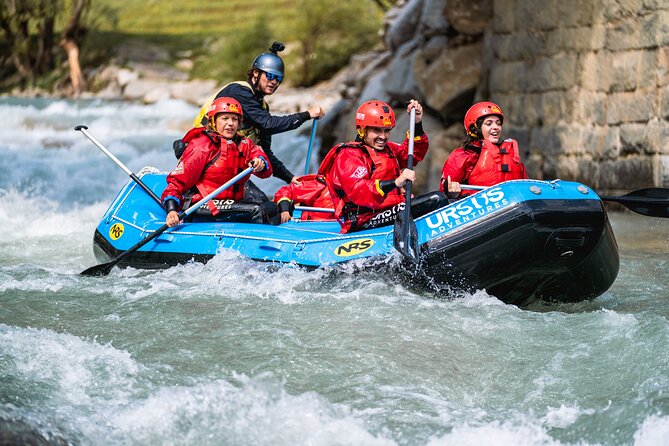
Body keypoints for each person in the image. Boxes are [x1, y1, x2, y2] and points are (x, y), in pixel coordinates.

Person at [191, 41, 326, 185]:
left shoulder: (262, 108)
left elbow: (265, 152)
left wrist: (291, 178)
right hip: (202, 162)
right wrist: (306, 115)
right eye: (269, 76)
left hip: (226, 169)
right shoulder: (238, 92)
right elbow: (268, 124)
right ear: (256, 73)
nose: (274, 82)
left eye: (278, 78)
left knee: (266, 205)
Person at [320, 99, 447, 233]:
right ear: (361, 130)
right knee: (436, 200)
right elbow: (359, 191)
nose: (383, 136)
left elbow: (412, 153)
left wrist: (417, 123)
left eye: (386, 131)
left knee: (435, 200)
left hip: (392, 209)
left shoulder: (388, 149)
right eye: (377, 131)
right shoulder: (349, 156)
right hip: (366, 218)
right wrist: (396, 182)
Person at [162, 97, 277, 227]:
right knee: (257, 210)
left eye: (234, 119)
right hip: (202, 205)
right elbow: (177, 181)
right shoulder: (202, 145)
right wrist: (171, 210)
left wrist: (261, 163)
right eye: (225, 118)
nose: (230, 123)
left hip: (231, 203)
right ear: (213, 121)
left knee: (272, 208)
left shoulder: (244, 143)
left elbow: (265, 169)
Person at [440, 101, 528, 199]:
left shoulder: (511, 153)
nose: (496, 127)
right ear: (475, 129)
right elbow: (444, 193)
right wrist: (453, 194)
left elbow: (525, 186)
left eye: (498, 123)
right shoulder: (463, 155)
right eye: (489, 123)